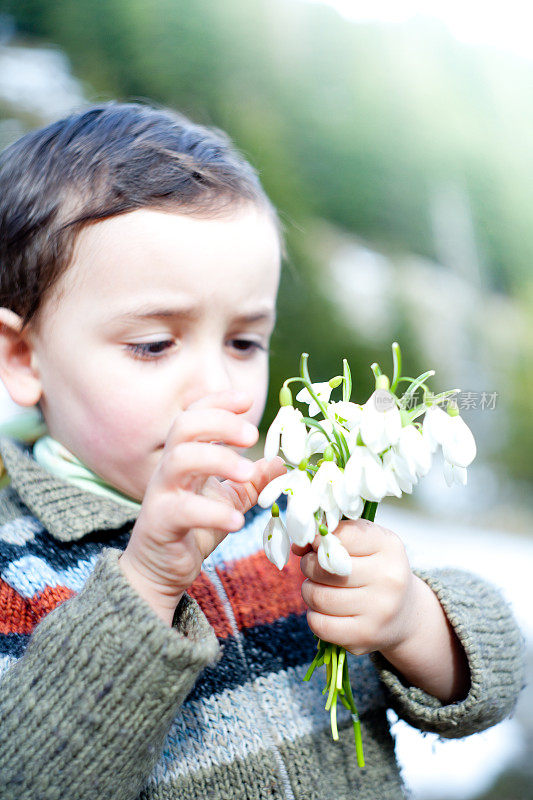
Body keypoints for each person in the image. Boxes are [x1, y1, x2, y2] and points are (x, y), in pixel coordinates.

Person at [0, 101, 525, 800]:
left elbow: (499, 676)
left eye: (245, 342)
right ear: (22, 356)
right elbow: (27, 775)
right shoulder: (18, 570)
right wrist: (148, 584)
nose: (219, 386)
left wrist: (411, 622)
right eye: (154, 345)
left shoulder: (288, 512)